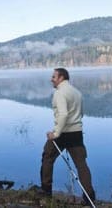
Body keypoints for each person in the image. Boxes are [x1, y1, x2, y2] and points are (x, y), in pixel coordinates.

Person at [40, 67, 96, 205]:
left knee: (47, 158)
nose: (51, 79)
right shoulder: (77, 92)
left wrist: (56, 133)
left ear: (61, 78)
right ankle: (89, 197)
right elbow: (81, 113)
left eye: (53, 77)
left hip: (62, 133)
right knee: (81, 165)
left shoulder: (59, 93)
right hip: (76, 132)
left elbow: (63, 114)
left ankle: (46, 191)